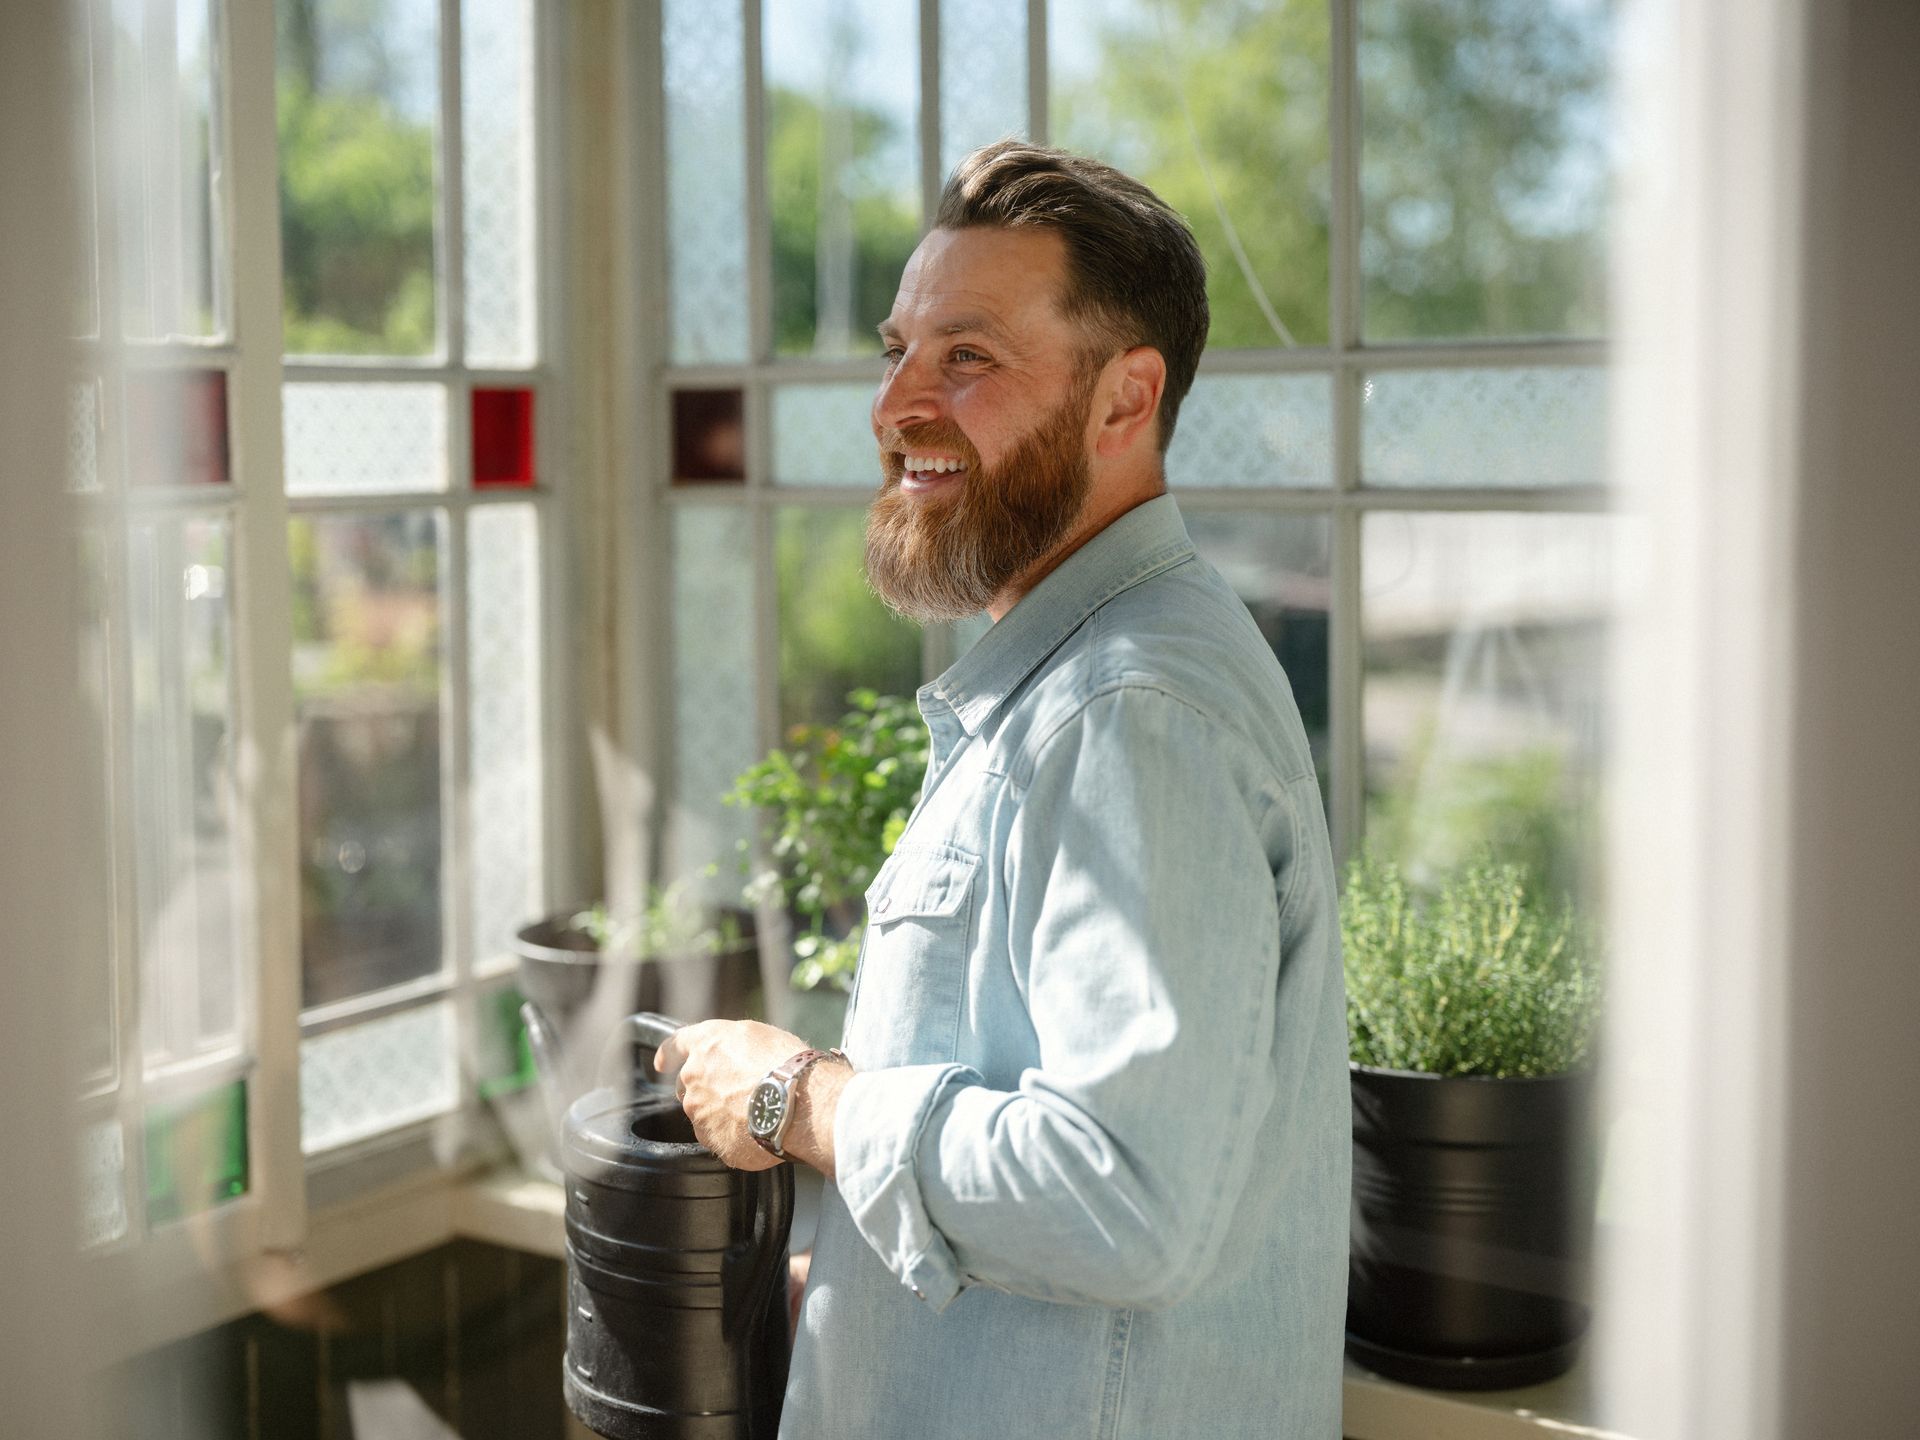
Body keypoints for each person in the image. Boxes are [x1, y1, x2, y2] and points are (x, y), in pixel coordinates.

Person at [655, 141, 1349, 1439]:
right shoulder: (1094, 680)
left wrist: (796, 1097)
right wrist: (861, 1292)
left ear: (1123, 400)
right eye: (897, 349)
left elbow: (1126, 1197)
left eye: (966, 358)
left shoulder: (1129, 716)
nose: (899, 403)